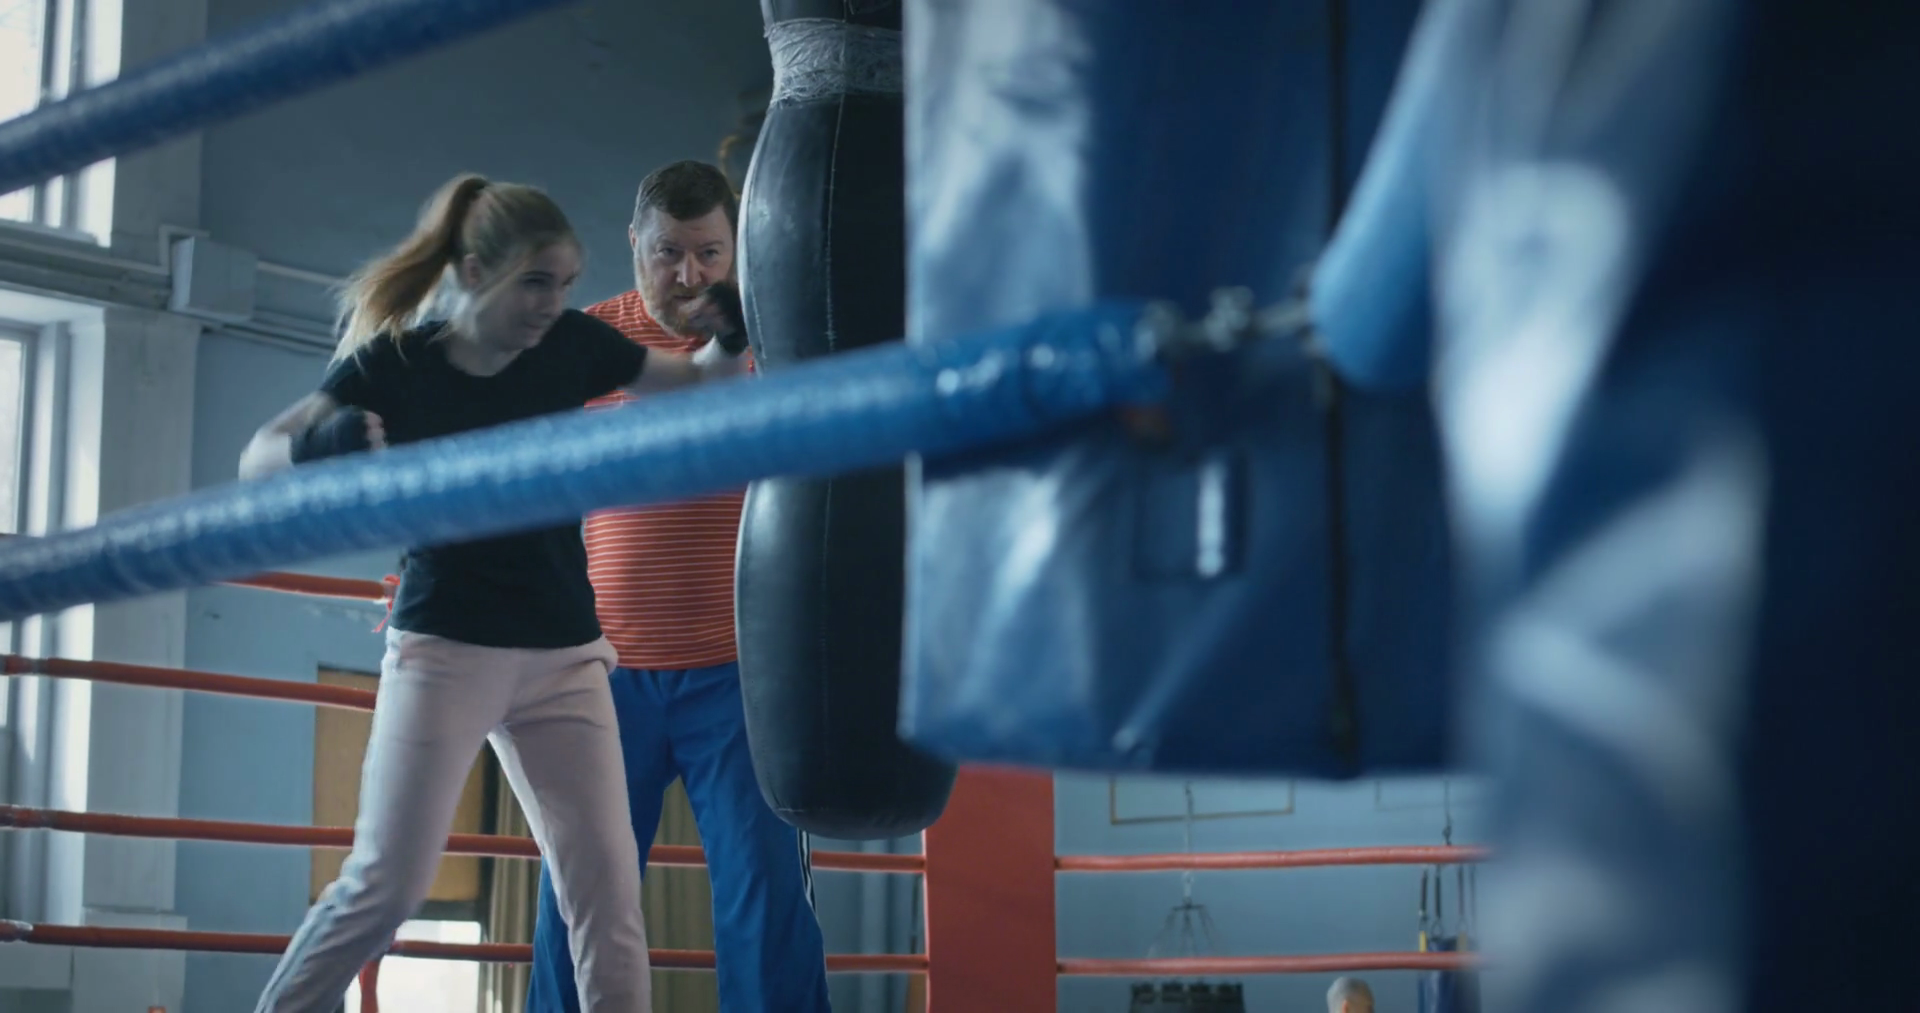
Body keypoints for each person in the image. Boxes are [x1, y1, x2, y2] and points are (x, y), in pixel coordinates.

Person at [236, 172, 751, 1013]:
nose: (552, 304)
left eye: (565, 283)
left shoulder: (572, 344)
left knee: (608, 898)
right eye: (535, 282)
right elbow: (258, 455)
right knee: (386, 885)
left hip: (565, 659)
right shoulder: (397, 364)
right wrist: (312, 448)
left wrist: (729, 337)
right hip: (447, 651)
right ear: (475, 272)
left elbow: (696, 386)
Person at [526, 160, 832, 1013]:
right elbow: (517, 476)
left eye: (709, 253)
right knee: (577, 891)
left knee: (763, 892)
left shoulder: (773, 340)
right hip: (605, 672)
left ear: (737, 250)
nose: (690, 275)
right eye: (668, 253)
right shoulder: (585, 341)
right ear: (635, 244)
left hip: (738, 672)